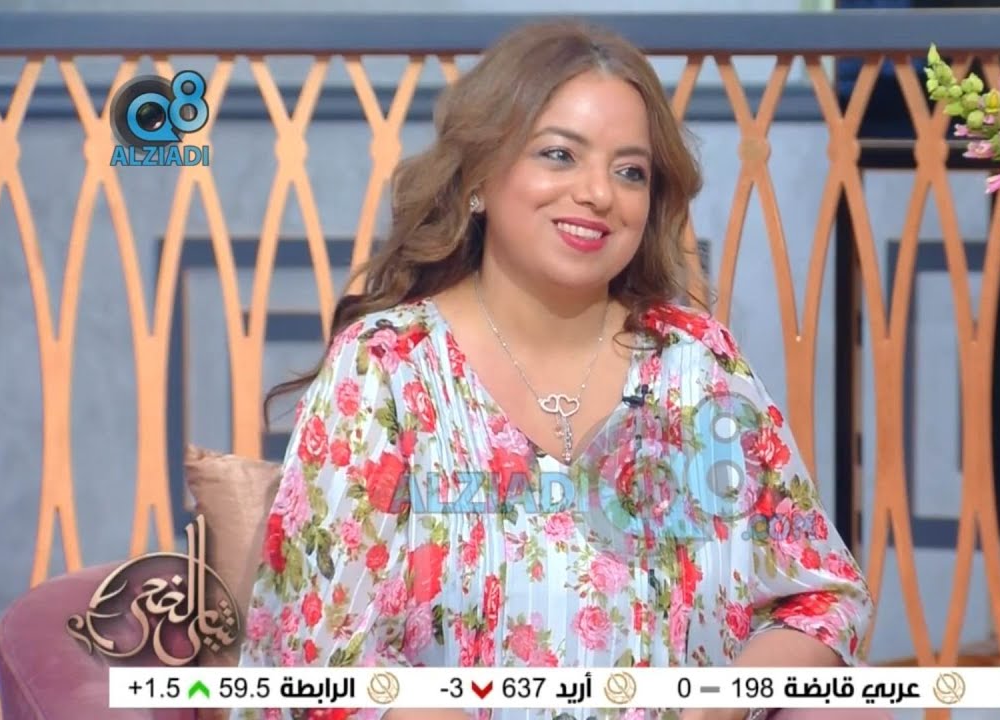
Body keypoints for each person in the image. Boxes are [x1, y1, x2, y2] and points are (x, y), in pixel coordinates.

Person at [234, 19, 872, 720]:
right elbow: (319, 654)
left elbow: (821, 597)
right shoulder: (386, 369)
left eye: (630, 171)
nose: (599, 193)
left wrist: (717, 704)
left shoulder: (697, 364)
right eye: (560, 154)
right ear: (479, 177)